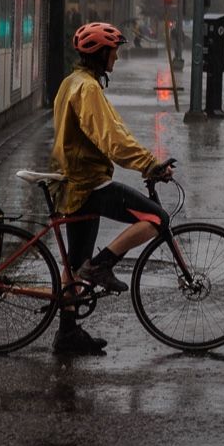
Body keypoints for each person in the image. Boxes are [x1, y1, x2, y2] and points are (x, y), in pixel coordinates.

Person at [50, 22, 176, 355]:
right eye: (114, 51)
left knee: (74, 265)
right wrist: (149, 164)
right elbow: (112, 139)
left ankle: (67, 334)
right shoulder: (87, 89)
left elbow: (114, 130)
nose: (117, 58)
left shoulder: (71, 83)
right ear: (100, 53)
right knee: (157, 217)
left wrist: (145, 160)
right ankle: (103, 265)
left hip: (71, 183)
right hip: (88, 183)